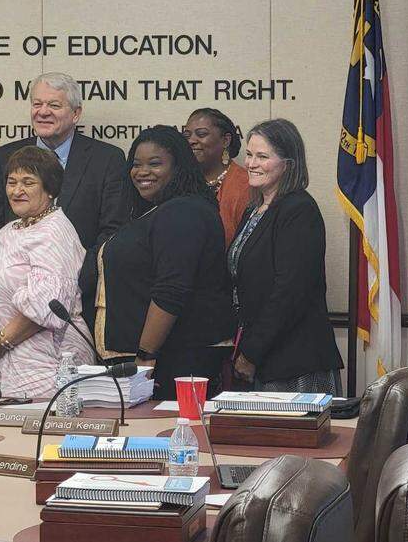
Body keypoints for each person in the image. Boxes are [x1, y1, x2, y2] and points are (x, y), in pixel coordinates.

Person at [78, 125, 235, 399]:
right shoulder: (155, 212)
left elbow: (171, 289)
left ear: (179, 167)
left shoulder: (184, 212)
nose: (142, 172)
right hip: (149, 363)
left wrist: (146, 355)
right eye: (136, 164)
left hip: (171, 363)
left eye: (155, 164)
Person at [230, 119, 343, 394]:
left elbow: (290, 291)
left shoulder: (299, 209)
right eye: (249, 154)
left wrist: (251, 353)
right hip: (264, 355)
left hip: (295, 362)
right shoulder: (254, 209)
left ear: (288, 164)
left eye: (262, 156)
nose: (251, 163)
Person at [0, 146, 95, 398]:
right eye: (11, 182)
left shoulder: (54, 231)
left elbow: (46, 305)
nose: (17, 191)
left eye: (28, 182)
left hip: (50, 370)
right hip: (8, 369)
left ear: (49, 189)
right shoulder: (8, 231)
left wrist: (1, 340)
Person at [0, 72, 128, 250]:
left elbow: (112, 232)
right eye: (37, 104)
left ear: (76, 114)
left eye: (54, 105)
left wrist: (79, 273)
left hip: (81, 273)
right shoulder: (4, 157)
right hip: (16, 274)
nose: (43, 112)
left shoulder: (107, 159)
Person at [184, 107, 250, 246]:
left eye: (201, 134)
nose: (191, 141)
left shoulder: (245, 185)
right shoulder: (182, 183)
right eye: (187, 135)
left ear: (226, 140)